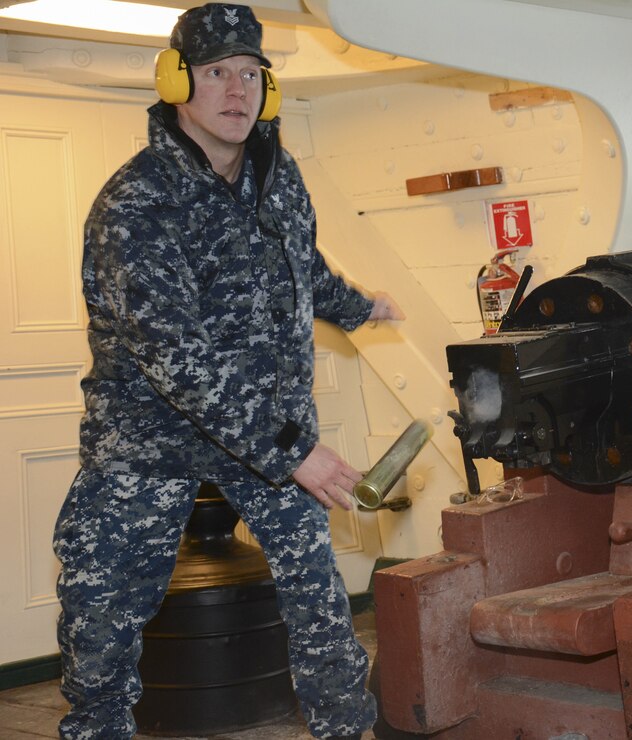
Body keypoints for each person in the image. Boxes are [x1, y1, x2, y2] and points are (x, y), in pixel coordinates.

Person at [52, 4, 399, 738]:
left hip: (267, 435)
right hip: (151, 444)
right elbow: (174, 357)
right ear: (177, 82)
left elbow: (299, 265)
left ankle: (346, 728)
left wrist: (360, 307)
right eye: (216, 73)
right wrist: (296, 451)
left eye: (250, 73)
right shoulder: (135, 203)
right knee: (102, 623)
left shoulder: (279, 176)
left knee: (320, 605)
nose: (237, 91)